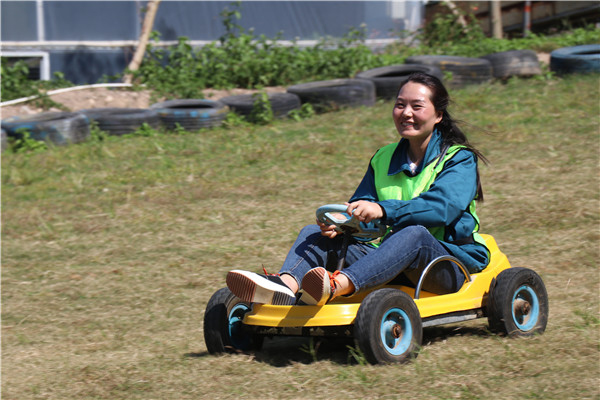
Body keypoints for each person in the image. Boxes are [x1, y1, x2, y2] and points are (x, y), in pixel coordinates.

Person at [226, 72, 490, 306]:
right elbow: (365, 208)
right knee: (312, 235)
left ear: (438, 115)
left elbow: (441, 209)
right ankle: (285, 287)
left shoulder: (459, 158)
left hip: (448, 264)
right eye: (400, 105)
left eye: (416, 106)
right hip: (393, 258)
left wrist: (382, 210)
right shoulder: (384, 157)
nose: (406, 113)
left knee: (414, 234)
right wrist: (344, 223)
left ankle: (335, 286)